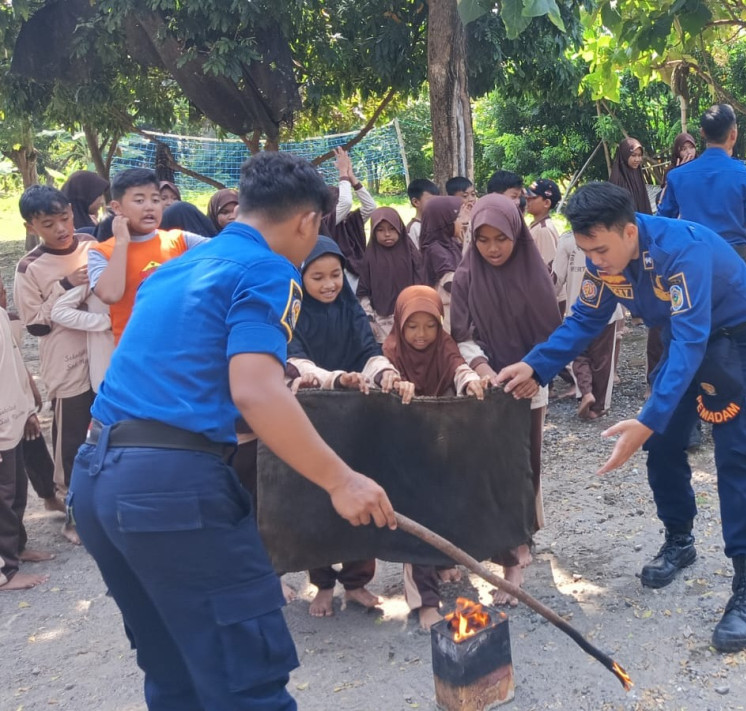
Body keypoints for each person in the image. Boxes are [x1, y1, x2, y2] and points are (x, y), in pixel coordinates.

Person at [69, 151, 397, 710]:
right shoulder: (269, 269)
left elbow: (177, 376)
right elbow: (254, 390)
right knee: (246, 682)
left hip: (99, 479)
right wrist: (342, 480)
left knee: (177, 672)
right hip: (171, 489)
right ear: (308, 221)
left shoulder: (171, 269)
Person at [496, 182, 746, 653]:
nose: (596, 261)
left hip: (740, 337)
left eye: (601, 250)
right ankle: (680, 540)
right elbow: (583, 320)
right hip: (687, 338)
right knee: (663, 446)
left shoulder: (679, 251)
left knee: (737, 457)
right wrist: (535, 364)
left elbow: (690, 341)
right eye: (587, 250)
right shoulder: (601, 259)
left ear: (630, 231)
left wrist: (647, 417)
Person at [450, 193, 561, 605]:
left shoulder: (535, 275)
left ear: (517, 233)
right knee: (489, 464)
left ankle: (524, 533)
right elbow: (460, 334)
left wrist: (536, 371)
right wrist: (482, 369)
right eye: (483, 240)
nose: (492, 248)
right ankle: (504, 545)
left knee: (525, 460)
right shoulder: (465, 277)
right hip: (485, 383)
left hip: (531, 380)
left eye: (501, 238)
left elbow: (553, 333)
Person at [287, 236, 401, 618]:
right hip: (313, 415)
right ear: (301, 278)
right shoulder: (294, 312)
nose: (329, 284)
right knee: (316, 501)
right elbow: (296, 361)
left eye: (335, 275)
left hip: (356, 415)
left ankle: (357, 582)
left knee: (361, 495)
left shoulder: (350, 309)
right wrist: (336, 379)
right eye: (317, 277)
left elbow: (369, 350)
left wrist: (382, 372)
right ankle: (322, 583)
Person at [382, 285, 484, 629]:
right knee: (417, 519)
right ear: (399, 325)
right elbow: (383, 376)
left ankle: (442, 561)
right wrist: (395, 384)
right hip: (404, 449)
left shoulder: (444, 345)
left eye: (430, 325)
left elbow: (457, 365)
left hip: (442, 442)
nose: (421, 335)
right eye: (412, 326)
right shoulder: (390, 351)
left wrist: (469, 379)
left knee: (445, 506)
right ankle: (424, 601)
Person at [13, 186, 95, 539]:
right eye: (49, 224)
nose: (61, 229)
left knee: (111, 430)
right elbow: (34, 325)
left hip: (104, 354)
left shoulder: (92, 247)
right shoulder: (29, 267)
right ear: (33, 227)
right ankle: (72, 514)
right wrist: (64, 285)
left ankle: (104, 502)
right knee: (72, 440)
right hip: (67, 362)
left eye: (64, 218)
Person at [87, 168, 210, 343]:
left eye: (155, 200)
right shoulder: (101, 252)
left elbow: (225, 252)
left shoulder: (180, 240)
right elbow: (110, 294)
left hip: (182, 349)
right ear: (117, 207)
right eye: (139, 200)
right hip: (134, 355)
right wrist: (121, 243)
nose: (149, 207)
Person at [659, 104, 746, 261]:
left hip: (694, 259)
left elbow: (662, 223)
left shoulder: (677, 176)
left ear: (702, 133)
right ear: (733, 134)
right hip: (734, 262)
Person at [0, 315, 55, 591]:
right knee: (2, 500)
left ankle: (16, 550)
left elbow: (14, 366)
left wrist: (27, 410)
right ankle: (4, 573)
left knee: (16, 492)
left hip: (12, 417)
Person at [552, 229, 622, 419]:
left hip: (577, 311)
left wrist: (546, 300)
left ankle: (586, 392)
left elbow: (557, 279)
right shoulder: (611, 233)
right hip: (607, 310)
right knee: (602, 360)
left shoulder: (566, 239)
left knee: (579, 355)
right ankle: (599, 406)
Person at [357, 207, 427, 342]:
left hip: (411, 316)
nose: (387, 234)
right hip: (382, 323)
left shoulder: (411, 254)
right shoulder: (371, 257)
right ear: (373, 231)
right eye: (380, 230)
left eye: (392, 228)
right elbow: (363, 290)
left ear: (399, 228)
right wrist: (369, 318)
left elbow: (422, 283)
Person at [321, 146, 377, 276]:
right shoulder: (324, 223)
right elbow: (346, 202)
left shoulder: (349, 222)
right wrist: (343, 174)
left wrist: (352, 177)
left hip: (359, 275)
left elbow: (370, 206)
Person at [416, 196, 470, 324]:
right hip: (447, 312)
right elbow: (450, 282)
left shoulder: (449, 242)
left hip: (456, 306)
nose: (462, 222)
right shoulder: (436, 249)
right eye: (458, 218)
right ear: (445, 221)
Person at [525, 178, 563, 271]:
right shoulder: (536, 225)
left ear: (546, 203)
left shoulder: (543, 230)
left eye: (532, 198)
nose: (527, 199)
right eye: (527, 197)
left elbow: (547, 269)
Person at [609, 138, 654, 215]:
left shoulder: (637, 172)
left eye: (639, 155)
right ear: (625, 155)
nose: (637, 159)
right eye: (633, 155)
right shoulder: (617, 179)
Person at [406, 178, 442, 249]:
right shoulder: (413, 229)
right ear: (416, 202)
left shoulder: (439, 223)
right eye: (431, 200)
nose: (435, 203)